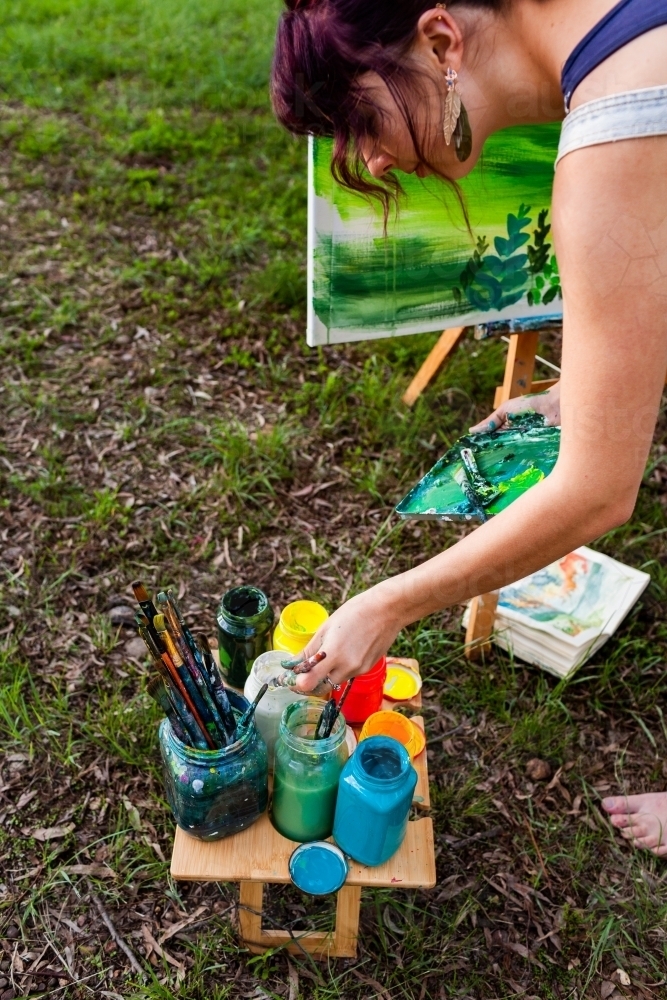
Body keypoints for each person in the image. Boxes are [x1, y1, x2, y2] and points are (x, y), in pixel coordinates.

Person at [270, 0, 667, 854]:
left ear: (441, 39)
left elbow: (596, 493)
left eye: (361, 120)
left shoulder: (613, 136)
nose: (370, 157)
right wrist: (586, 396)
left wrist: (386, 606)